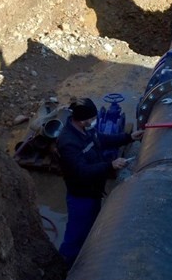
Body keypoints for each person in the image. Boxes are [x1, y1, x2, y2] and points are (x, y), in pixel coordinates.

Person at [56, 97, 143, 267]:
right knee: (75, 236)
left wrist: (129, 137)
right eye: (91, 119)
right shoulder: (68, 142)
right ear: (82, 121)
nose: (94, 122)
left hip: (94, 192)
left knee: (89, 229)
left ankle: (82, 260)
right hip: (81, 196)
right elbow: (81, 172)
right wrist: (110, 165)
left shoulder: (86, 131)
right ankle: (63, 268)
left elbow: (102, 139)